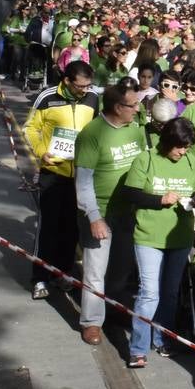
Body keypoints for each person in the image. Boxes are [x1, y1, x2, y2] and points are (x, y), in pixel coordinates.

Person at [122, 117, 195, 368]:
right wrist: (160, 200)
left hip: (179, 237)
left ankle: (162, 338)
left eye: (187, 147)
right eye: (179, 146)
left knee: (169, 293)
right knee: (149, 293)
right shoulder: (146, 159)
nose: (183, 151)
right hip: (149, 236)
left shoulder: (190, 160)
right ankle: (138, 348)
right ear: (168, 141)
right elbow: (130, 193)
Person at [72, 77, 146, 345]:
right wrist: (94, 217)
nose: (137, 109)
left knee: (121, 269)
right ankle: (91, 322)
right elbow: (82, 181)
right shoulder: (91, 134)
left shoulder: (136, 130)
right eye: (132, 105)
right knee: (95, 271)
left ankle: (114, 310)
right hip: (100, 213)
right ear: (117, 107)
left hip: (127, 213)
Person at [24, 60, 99, 299]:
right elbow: (30, 129)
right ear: (67, 81)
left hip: (81, 176)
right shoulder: (46, 97)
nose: (85, 90)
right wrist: (41, 151)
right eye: (81, 86)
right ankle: (40, 278)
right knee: (48, 228)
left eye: (89, 86)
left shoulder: (93, 99)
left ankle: (63, 273)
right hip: (53, 173)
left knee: (71, 229)